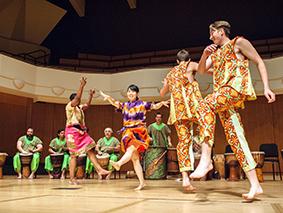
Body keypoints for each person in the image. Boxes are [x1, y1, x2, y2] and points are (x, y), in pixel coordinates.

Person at [193, 20, 276, 200]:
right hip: (222, 97)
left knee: (204, 104)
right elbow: (200, 70)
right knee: (236, 138)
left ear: (221, 31)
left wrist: (267, 87)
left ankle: (206, 159)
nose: (210, 36)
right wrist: (204, 54)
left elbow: (259, 61)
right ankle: (255, 185)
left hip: (234, 90)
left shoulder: (238, 42)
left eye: (212, 32)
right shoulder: (215, 53)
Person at [160, 49, 215, 192]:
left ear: (177, 61)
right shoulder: (190, 65)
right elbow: (206, 70)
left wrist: (166, 83)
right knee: (207, 121)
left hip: (178, 111)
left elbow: (162, 93)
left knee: (183, 142)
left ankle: (185, 179)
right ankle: (206, 160)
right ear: (188, 59)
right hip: (192, 106)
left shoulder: (170, 73)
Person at [100, 84, 169, 190]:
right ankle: (142, 183)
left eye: (132, 91)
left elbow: (154, 106)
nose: (130, 93)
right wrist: (108, 98)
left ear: (137, 93)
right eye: (128, 92)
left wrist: (161, 103)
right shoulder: (125, 105)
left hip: (139, 133)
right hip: (128, 132)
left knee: (132, 148)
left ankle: (119, 163)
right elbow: (115, 103)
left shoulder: (142, 104)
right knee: (135, 159)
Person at [65, 77, 110, 185]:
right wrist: (82, 85)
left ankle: (99, 169)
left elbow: (87, 105)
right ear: (73, 100)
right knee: (73, 155)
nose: (78, 101)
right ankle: (72, 178)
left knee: (90, 148)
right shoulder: (69, 106)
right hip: (72, 132)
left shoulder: (79, 108)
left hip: (81, 132)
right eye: (76, 99)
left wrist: (90, 96)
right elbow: (78, 99)